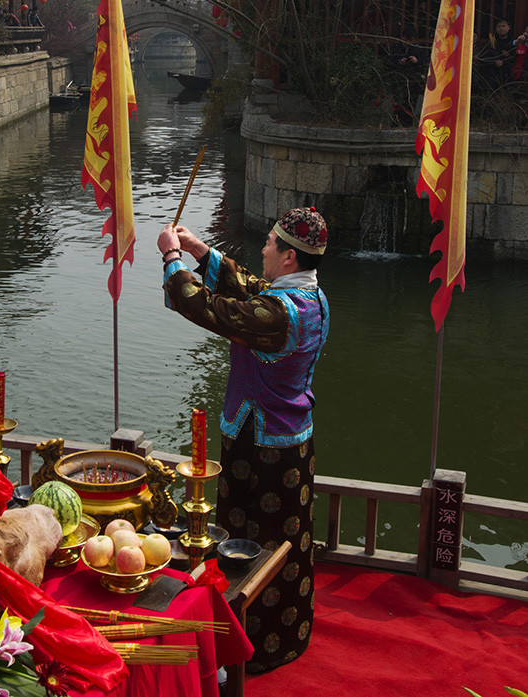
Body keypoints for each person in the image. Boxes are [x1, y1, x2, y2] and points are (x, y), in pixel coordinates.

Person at [157, 207, 330, 673]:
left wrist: (172, 259)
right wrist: (201, 252)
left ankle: (249, 645)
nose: (264, 249)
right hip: (293, 442)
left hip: (261, 449)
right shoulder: (310, 298)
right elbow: (251, 288)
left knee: (251, 542)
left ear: (289, 257)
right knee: (289, 541)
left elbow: (211, 309)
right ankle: (287, 634)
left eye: (271, 244)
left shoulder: (277, 315)